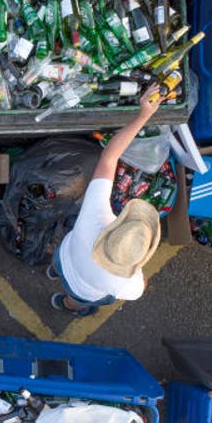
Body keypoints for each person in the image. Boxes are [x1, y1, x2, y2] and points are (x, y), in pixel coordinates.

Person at [48, 84, 166, 316]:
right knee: (79, 298)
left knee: (59, 264)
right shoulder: (127, 286)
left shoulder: (96, 217)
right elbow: (139, 288)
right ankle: (68, 305)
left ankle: (53, 271)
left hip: (63, 256)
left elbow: (110, 155)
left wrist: (144, 114)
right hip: (80, 287)